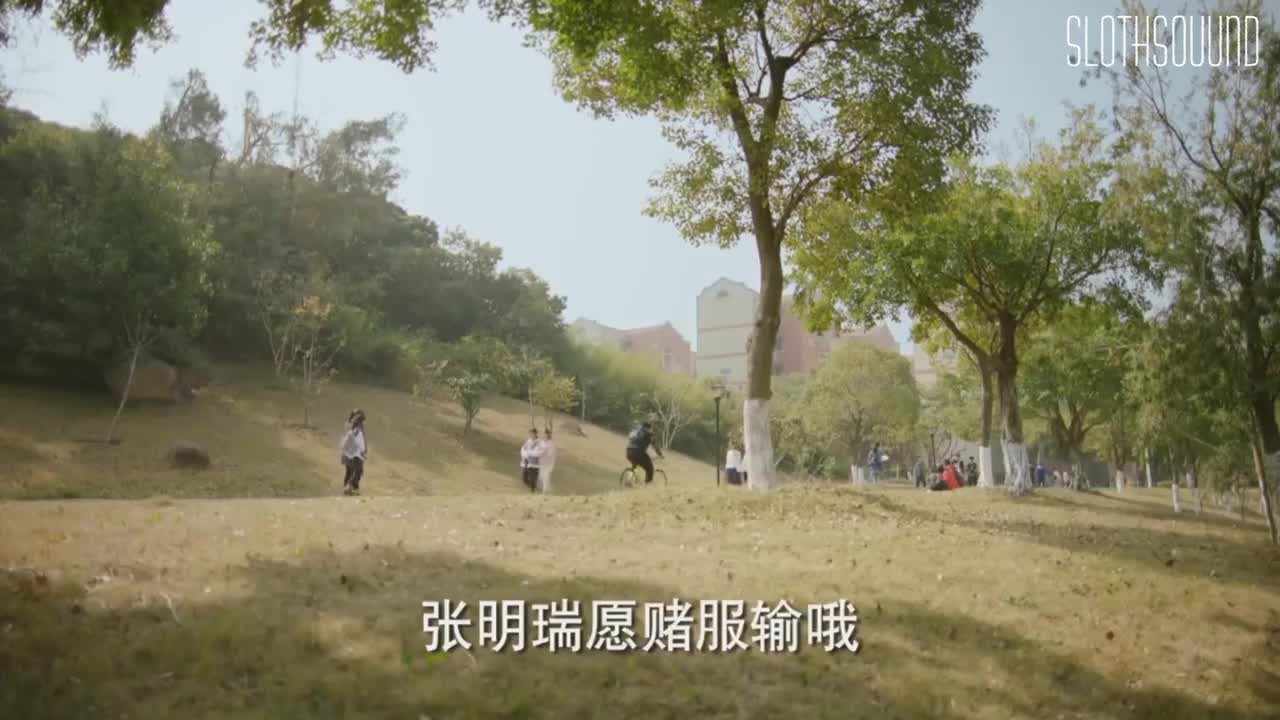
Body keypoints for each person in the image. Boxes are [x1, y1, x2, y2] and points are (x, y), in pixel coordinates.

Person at [338, 409, 368, 496]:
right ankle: (349, 487)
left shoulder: (351, 427)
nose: (363, 423)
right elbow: (359, 441)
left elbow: (345, 439)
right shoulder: (357, 429)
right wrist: (363, 451)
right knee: (358, 471)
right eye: (362, 420)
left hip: (348, 453)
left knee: (350, 471)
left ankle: (352, 489)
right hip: (355, 454)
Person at [520, 428, 543, 492]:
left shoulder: (539, 442)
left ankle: (533, 491)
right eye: (530, 433)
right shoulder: (528, 441)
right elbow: (523, 449)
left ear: (536, 434)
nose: (531, 435)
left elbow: (538, 453)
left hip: (535, 464)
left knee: (533, 479)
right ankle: (535, 488)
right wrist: (524, 455)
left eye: (533, 433)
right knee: (524, 479)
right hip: (526, 463)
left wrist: (529, 453)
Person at [539, 428, 557, 494]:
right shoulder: (541, 442)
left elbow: (550, 453)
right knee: (541, 476)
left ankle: (545, 491)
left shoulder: (551, 443)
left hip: (549, 463)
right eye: (544, 435)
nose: (545, 436)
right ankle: (549, 488)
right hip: (542, 463)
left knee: (546, 476)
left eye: (546, 435)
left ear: (549, 435)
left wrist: (544, 453)